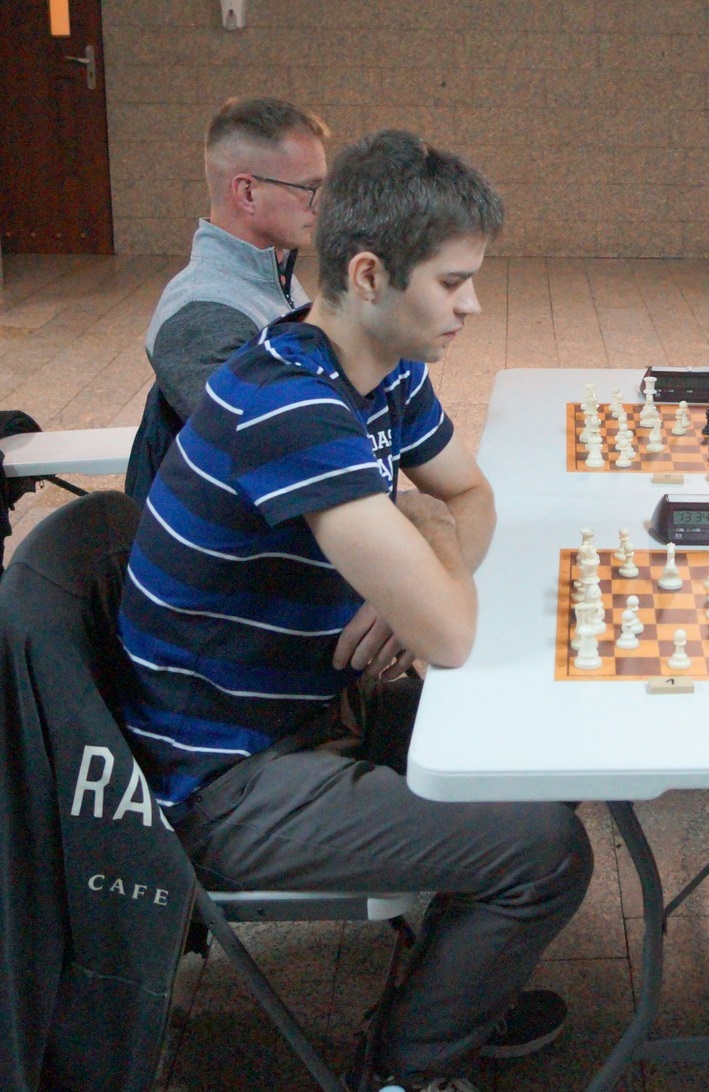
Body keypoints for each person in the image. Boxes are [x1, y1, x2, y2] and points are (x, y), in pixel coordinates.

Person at [118, 130, 592, 1092]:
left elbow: (472, 496)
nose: (473, 306)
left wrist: (426, 554)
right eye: (453, 283)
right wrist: (424, 564)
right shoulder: (289, 401)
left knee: (543, 751)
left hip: (312, 710)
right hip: (225, 780)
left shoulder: (384, 370)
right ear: (370, 275)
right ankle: (410, 1069)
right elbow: (451, 632)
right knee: (545, 851)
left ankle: (452, 990)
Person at [125, 97, 329, 502]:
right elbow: (274, 451)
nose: (320, 204)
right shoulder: (201, 313)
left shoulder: (271, 276)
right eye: (309, 188)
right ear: (247, 192)